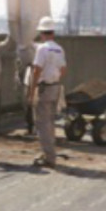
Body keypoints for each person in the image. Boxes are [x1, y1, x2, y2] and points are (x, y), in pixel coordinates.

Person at [27, 16, 66, 169]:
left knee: (42, 124)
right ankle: (50, 153)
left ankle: (50, 158)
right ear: (53, 32)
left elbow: (37, 70)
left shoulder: (42, 48)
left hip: (44, 89)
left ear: (42, 33)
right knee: (50, 122)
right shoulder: (59, 49)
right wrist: (54, 78)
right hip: (55, 87)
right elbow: (63, 70)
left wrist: (32, 90)